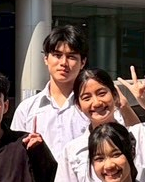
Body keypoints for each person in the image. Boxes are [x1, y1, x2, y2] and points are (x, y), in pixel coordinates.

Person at [11, 24, 93, 163]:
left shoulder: (92, 106)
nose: (63, 63)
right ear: (46, 58)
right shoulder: (27, 109)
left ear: (83, 62)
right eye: (57, 55)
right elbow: (15, 155)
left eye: (71, 56)